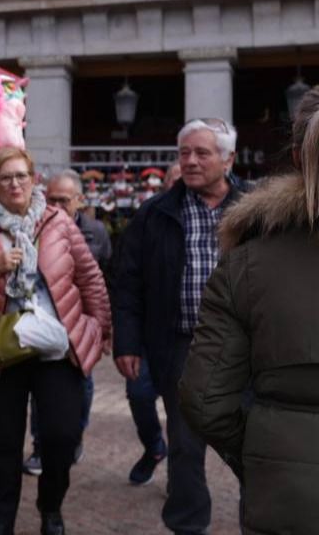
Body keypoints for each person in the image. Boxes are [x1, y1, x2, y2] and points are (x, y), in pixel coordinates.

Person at [0, 147, 110, 535]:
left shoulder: (59, 223)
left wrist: (99, 331)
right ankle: (0, 522)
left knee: (61, 437)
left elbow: (90, 278)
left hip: (57, 346)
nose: (15, 184)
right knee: (5, 443)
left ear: (34, 179)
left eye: (21, 176)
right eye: (5, 178)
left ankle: (51, 508)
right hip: (4, 347)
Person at [180, 88, 319, 534]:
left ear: (296, 157)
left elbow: (205, 401)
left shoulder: (248, 260)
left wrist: (269, 455)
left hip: (287, 496)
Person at [113, 118, 245, 535]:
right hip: (181, 347)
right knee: (186, 445)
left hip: (247, 347)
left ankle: (261, 520)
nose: (190, 161)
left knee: (255, 443)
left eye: (201, 153)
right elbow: (128, 282)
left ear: (228, 159)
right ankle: (188, 525)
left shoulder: (257, 210)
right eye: (184, 153)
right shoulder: (155, 213)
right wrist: (128, 342)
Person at [23, 171, 108, 476]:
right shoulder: (35, 228)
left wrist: (103, 327)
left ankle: (75, 436)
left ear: (79, 201)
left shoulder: (96, 232)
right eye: (51, 198)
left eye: (63, 199)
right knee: (39, 386)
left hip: (81, 326)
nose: (56, 205)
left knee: (83, 385)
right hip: (45, 323)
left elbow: (104, 278)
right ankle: (39, 447)